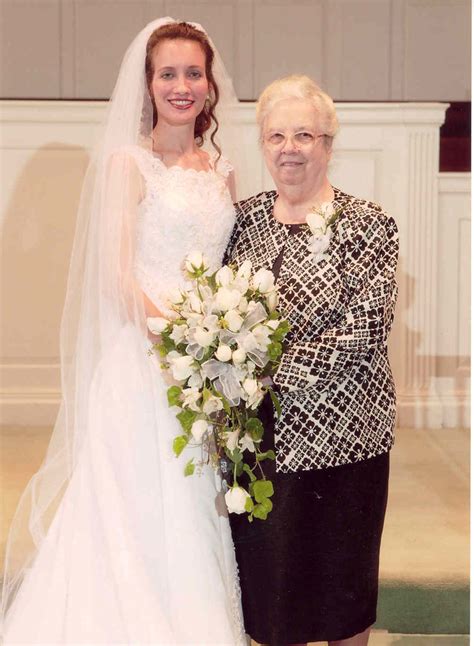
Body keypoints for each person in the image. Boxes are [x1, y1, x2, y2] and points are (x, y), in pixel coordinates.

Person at [1, 18, 245, 644]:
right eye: (168, 73)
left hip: (204, 372)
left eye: (194, 73)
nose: (182, 86)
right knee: (132, 509)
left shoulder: (224, 170)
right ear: (148, 83)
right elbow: (115, 279)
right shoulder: (127, 164)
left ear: (210, 86)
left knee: (193, 508)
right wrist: (184, 340)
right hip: (143, 363)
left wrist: (218, 347)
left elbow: (228, 273)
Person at [225, 75, 399, 646]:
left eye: (304, 134)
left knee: (342, 595)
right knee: (273, 600)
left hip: (347, 434)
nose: (289, 148)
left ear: (328, 142)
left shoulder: (370, 226)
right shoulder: (243, 222)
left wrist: (268, 371)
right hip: (262, 439)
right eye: (276, 135)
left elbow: (364, 331)